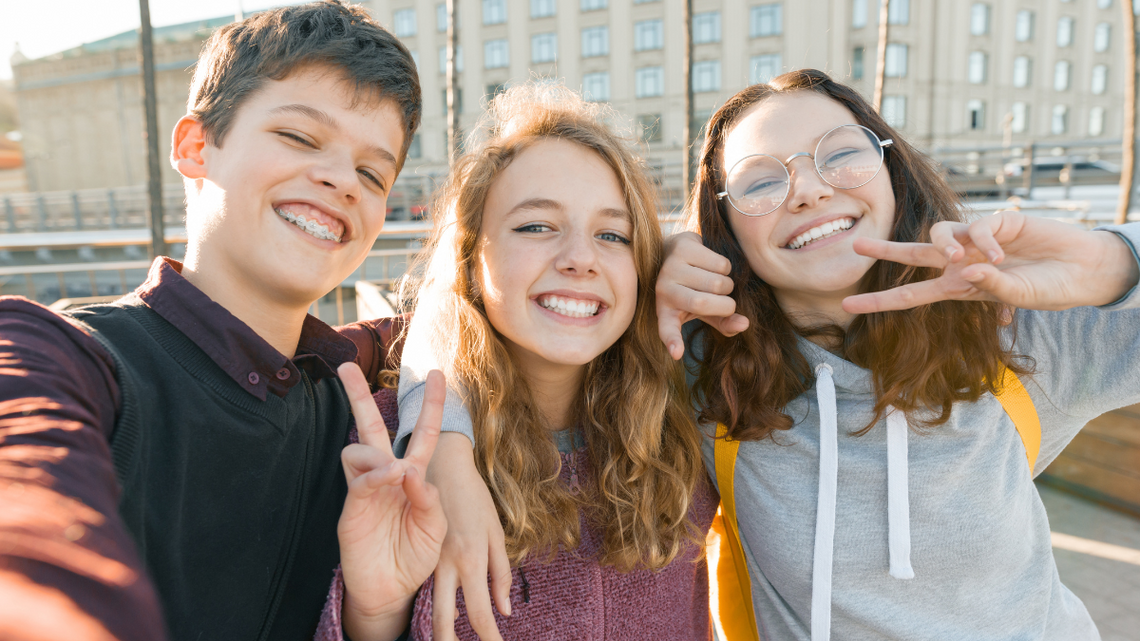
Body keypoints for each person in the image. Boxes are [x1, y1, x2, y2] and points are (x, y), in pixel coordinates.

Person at [397, 69, 1140, 641]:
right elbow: (450, 297)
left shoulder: (1009, 331)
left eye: (840, 154)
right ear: (725, 227)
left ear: (891, 169)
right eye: (760, 181)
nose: (809, 190)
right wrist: (447, 456)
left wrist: (1116, 261)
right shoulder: (703, 361)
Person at [0, 3, 447, 640]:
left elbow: (451, 318)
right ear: (195, 146)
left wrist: (374, 615)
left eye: (373, 172)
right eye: (299, 137)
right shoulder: (65, 356)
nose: (342, 180)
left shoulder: (342, 397)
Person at [319, 83, 715, 641]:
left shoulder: (684, 423)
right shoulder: (384, 450)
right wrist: (375, 615)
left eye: (612, 234)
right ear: (469, 258)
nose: (580, 258)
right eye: (536, 226)